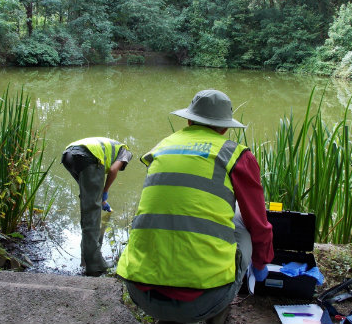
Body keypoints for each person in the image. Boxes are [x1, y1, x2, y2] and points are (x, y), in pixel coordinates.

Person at [117, 89, 274, 324]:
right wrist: (261, 263)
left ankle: (169, 316)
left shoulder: (162, 147)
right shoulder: (235, 154)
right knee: (242, 219)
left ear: (189, 121)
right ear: (225, 128)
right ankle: (216, 317)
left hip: (140, 292)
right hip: (205, 300)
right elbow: (259, 224)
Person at [62, 137, 132, 276]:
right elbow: (113, 170)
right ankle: (94, 267)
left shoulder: (111, 145)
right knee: (92, 214)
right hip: (88, 158)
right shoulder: (126, 151)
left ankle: (86, 258)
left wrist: (99, 198)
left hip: (68, 155)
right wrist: (104, 192)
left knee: (89, 205)